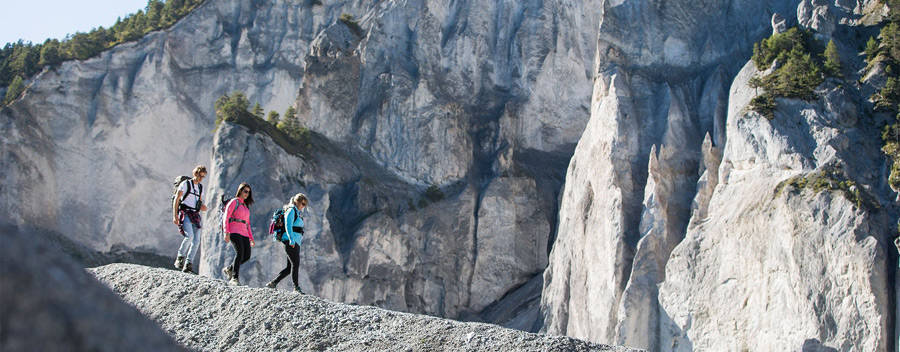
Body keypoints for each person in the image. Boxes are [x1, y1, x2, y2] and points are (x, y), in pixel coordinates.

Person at [266, 193, 309, 293]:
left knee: (290, 267)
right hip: (291, 241)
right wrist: (291, 239)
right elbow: (288, 225)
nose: (303, 206)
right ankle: (296, 288)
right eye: (302, 203)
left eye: (305, 204)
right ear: (297, 202)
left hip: (295, 242)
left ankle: (273, 283)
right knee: (295, 263)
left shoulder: (296, 212)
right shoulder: (291, 210)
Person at [173, 165, 208, 274]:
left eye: (203, 177)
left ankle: (188, 264)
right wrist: (175, 216)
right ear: (195, 174)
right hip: (185, 213)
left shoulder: (200, 187)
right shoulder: (185, 184)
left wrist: (203, 207)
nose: (200, 179)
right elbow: (177, 200)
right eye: (199, 176)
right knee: (190, 236)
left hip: (195, 215)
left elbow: (199, 202)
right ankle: (180, 257)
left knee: (197, 240)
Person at [221, 183, 255, 286]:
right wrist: (226, 232)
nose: (247, 194)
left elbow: (248, 224)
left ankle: (230, 269)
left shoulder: (245, 206)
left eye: (248, 192)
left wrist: (251, 238)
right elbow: (226, 217)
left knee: (247, 256)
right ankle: (234, 278)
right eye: (245, 191)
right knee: (240, 253)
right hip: (234, 230)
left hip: (244, 232)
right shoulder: (234, 202)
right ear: (240, 191)